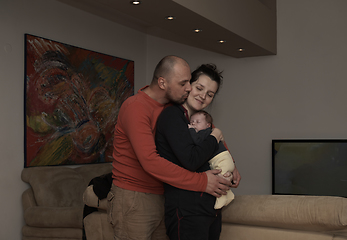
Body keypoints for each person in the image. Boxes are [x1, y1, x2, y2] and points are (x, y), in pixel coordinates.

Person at [107, 56, 238, 240]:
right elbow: (151, 161)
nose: (188, 88)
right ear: (162, 83)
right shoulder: (136, 107)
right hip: (135, 196)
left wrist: (230, 163)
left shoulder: (173, 106)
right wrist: (202, 181)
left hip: (165, 193)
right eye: (184, 83)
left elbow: (208, 132)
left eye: (189, 83)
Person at [155, 63, 240, 240]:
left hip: (209, 208)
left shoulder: (200, 123)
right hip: (186, 209)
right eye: (199, 88)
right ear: (188, 86)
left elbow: (210, 155)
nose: (203, 96)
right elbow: (191, 160)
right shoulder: (172, 115)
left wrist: (231, 168)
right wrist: (214, 135)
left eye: (210, 94)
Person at [188, 110, 235, 209]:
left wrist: (191, 130)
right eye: (191, 122)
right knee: (223, 180)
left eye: (197, 122)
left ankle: (221, 198)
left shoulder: (206, 133)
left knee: (219, 180)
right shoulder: (208, 133)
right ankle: (229, 195)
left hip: (222, 161)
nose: (193, 124)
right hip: (224, 160)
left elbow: (198, 142)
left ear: (208, 125)